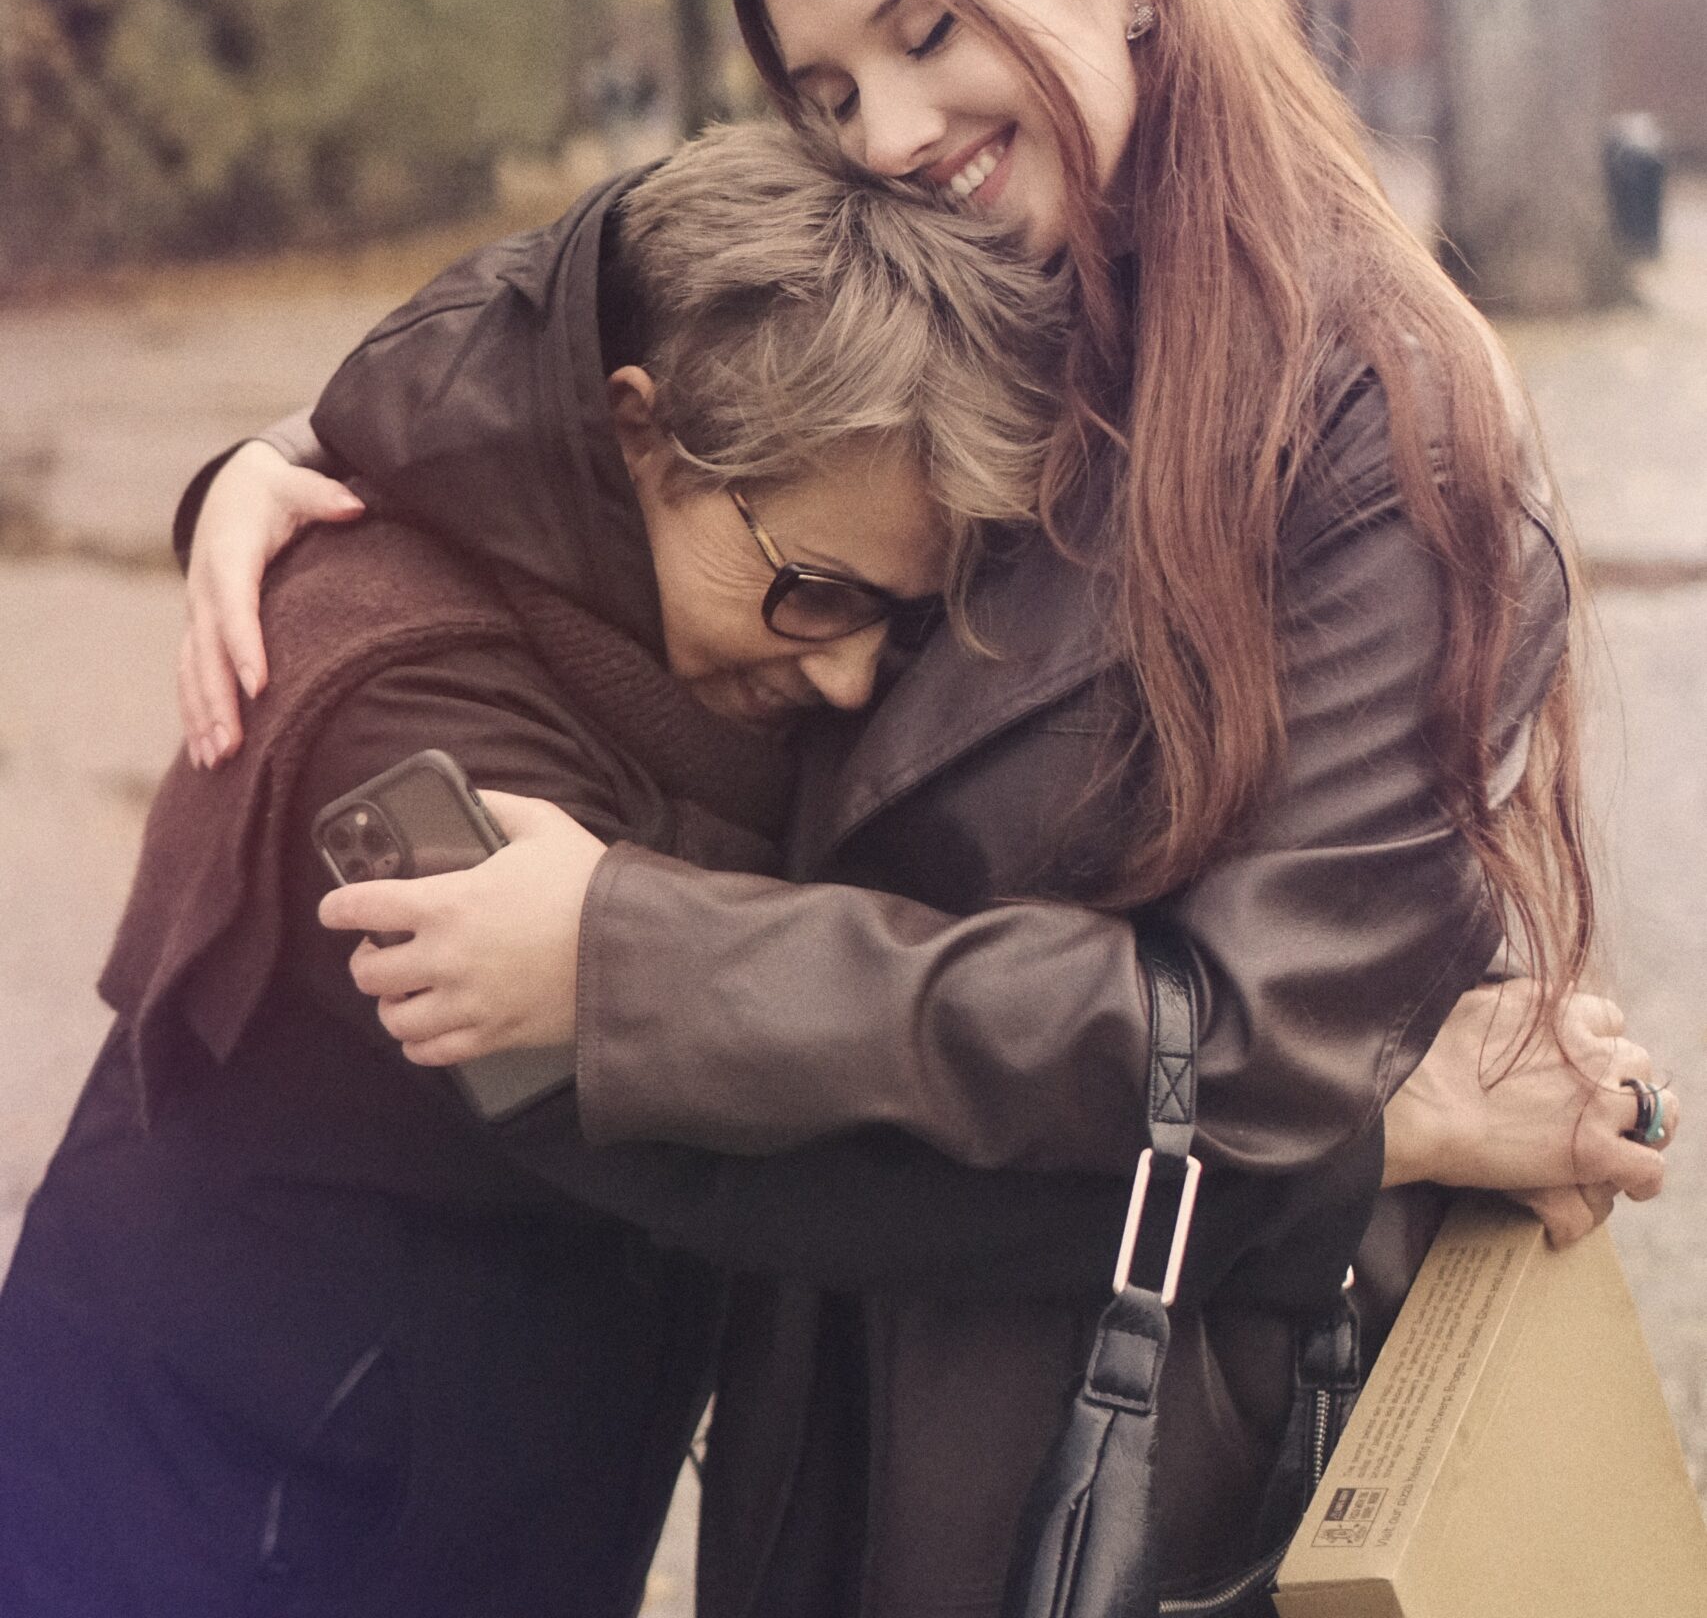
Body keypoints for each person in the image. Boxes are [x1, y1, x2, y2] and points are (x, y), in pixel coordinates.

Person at [173, 0, 1675, 1617]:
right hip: (833, 1394)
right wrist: (282, 464)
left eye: (924, 27)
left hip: (1147, 1433)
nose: (884, 129)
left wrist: (630, 954)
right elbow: (569, 333)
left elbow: (1260, 1050)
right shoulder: (964, 302)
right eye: (824, 86)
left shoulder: (1371, 423)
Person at [0, 121, 1144, 1618]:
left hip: (463, 1493)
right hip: (227, 1522)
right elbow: (758, 1156)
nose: (858, 682)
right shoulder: (399, 731)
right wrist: (1292, 1160)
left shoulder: (663, 622)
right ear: (637, 433)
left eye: (901, 621)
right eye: (816, 596)